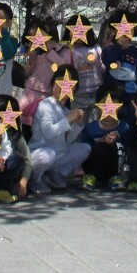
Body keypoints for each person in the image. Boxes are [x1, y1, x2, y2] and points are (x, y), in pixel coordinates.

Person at [28, 65, 90, 194]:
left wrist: (76, 125)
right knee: (46, 156)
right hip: (40, 153)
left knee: (85, 148)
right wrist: (68, 119)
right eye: (60, 81)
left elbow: (66, 142)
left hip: (57, 155)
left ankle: (53, 173)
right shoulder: (45, 104)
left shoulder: (66, 110)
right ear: (53, 84)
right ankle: (35, 178)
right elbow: (48, 133)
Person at [20, 18, 75, 127]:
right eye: (31, 36)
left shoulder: (63, 49)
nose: (35, 38)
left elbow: (66, 69)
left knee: (44, 128)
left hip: (49, 96)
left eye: (37, 34)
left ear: (47, 30)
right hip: (30, 94)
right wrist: (31, 59)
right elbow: (27, 73)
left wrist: (49, 50)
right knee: (27, 128)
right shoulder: (36, 50)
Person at [79, 84, 131, 191]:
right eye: (104, 104)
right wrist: (101, 142)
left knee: (117, 145)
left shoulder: (124, 127)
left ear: (120, 106)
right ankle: (90, 176)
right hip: (94, 167)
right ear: (98, 105)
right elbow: (83, 150)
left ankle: (115, 177)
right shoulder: (90, 128)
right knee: (100, 147)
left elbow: (129, 148)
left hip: (116, 168)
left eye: (113, 104)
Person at [100, 9, 137, 93]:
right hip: (112, 96)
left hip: (131, 95)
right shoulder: (108, 49)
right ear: (113, 31)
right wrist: (118, 45)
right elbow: (108, 61)